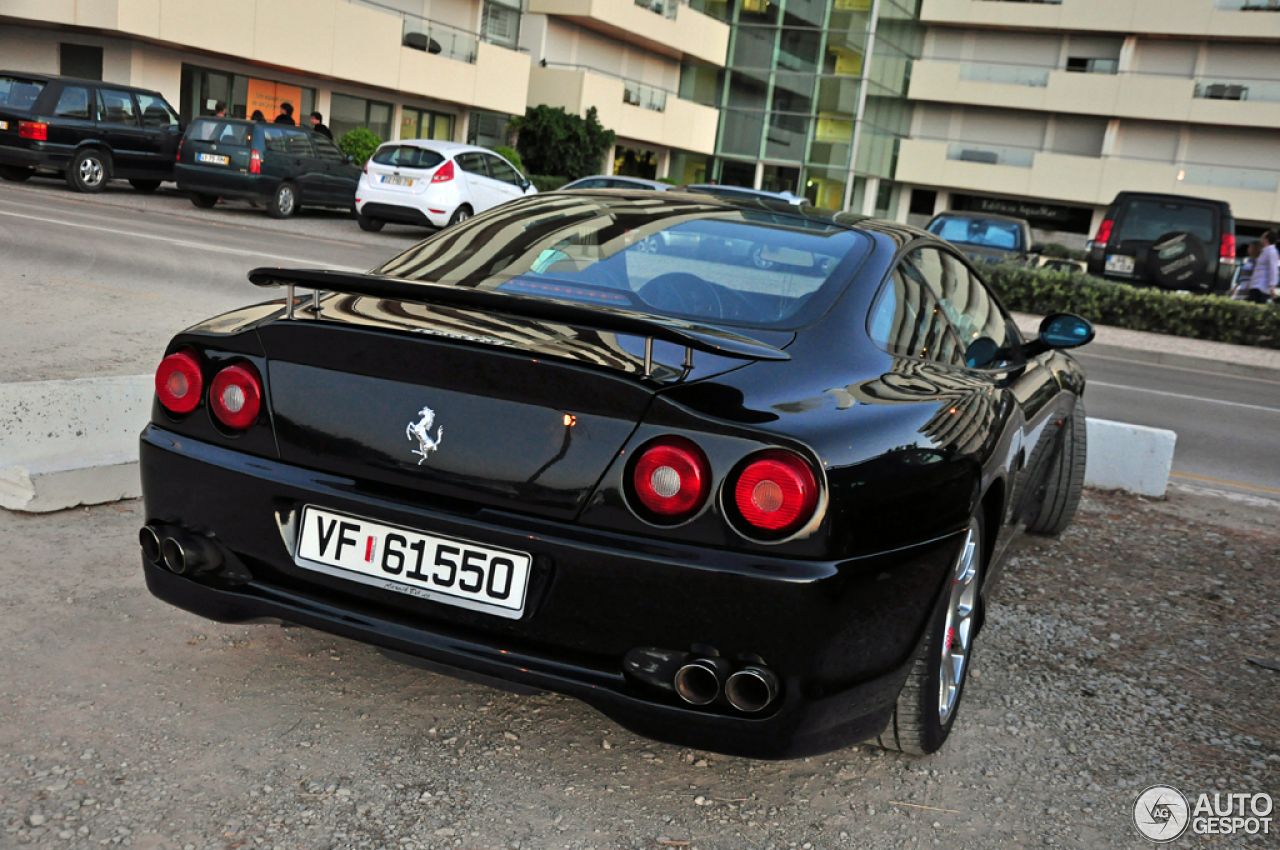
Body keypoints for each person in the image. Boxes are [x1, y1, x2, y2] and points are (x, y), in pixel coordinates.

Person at [1244, 230, 1278, 304]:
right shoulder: (1264, 251)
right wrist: (1250, 283)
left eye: (1263, 237)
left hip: (1262, 288)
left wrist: (1272, 286)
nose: (1261, 238)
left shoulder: (1271, 252)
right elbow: (1258, 269)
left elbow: (1273, 269)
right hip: (1255, 285)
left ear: (1266, 239)